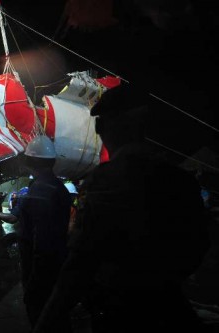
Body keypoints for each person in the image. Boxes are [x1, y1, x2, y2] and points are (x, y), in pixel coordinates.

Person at [33, 84, 210, 333]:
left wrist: (46, 322)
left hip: (121, 313)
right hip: (171, 306)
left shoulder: (106, 181)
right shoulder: (180, 179)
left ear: (109, 128)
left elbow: (80, 264)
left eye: (100, 125)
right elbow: (197, 247)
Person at [0, 135, 72, 328]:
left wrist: (34, 281)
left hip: (40, 270)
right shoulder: (58, 187)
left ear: (30, 161)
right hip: (58, 264)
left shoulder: (39, 191)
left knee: (41, 317)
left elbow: (41, 240)